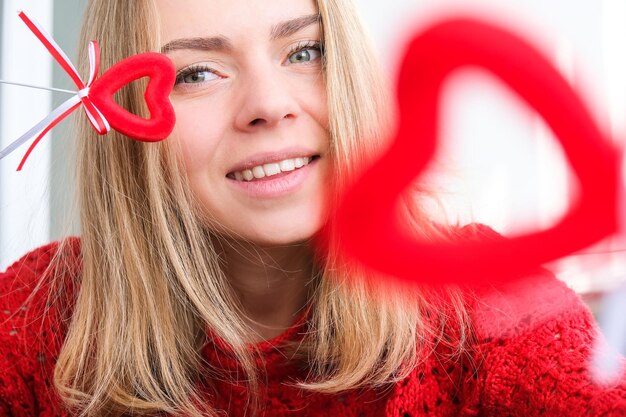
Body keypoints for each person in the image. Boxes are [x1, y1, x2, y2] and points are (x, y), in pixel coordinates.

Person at [0, 0, 625, 416]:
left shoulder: (485, 302)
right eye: (196, 74)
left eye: (304, 52)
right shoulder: (35, 321)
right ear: (118, 108)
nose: (269, 105)